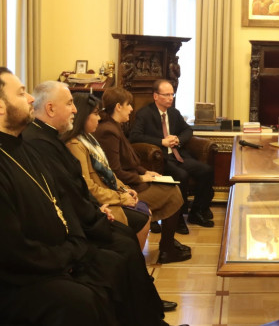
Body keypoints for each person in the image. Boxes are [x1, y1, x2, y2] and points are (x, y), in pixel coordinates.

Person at [5, 70, 186, 325]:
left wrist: (92, 216)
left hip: (69, 238)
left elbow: (66, 191)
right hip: (42, 262)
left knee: (122, 244)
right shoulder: (36, 142)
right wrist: (75, 245)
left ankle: (148, 315)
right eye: (21, 93)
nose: (30, 99)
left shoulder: (30, 143)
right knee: (99, 279)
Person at [0, 68, 118, 325]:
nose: (31, 98)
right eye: (21, 93)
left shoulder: (24, 147)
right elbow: (12, 250)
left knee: (108, 267)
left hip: (58, 256)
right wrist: (66, 257)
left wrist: (75, 244)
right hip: (20, 280)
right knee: (80, 299)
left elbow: (60, 198)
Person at [93, 86, 192, 264]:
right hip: (125, 189)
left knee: (171, 188)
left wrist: (145, 171)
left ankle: (168, 245)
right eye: (128, 105)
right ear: (118, 107)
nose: (132, 109)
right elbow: (114, 171)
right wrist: (140, 178)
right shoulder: (108, 131)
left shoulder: (115, 126)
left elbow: (129, 161)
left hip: (132, 181)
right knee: (173, 193)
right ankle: (167, 248)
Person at [63, 92, 151, 250]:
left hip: (109, 195)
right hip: (99, 204)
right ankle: (133, 260)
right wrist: (121, 198)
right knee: (143, 219)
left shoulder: (89, 138)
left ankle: (134, 260)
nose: (99, 118)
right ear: (84, 116)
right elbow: (87, 187)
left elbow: (108, 172)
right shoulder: (75, 145)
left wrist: (124, 189)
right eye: (95, 114)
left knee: (144, 211)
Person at [130, 79, 215, 228]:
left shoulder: (174, 112)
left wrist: (178, 139)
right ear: (156, 96)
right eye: (167, 95)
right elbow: (134, 137)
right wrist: (161, 142)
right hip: (161, 159)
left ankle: (196, 212)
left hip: (178, 155)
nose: (171, 98)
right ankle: (178, 219)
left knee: (206, 170)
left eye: (172, 94)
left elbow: (188, 130)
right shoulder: (144, 114)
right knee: (182, 175)